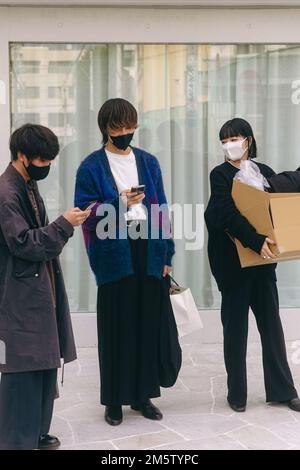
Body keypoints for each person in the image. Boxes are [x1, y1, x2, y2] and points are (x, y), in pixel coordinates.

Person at [74, 98, 176, 426]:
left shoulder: (148, 162)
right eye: (116, 127)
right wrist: (118, 202)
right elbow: (84, 214)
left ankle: (143, 396)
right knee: (116, 326)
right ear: (105, 128)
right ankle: (114, 401)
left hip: (147, 247)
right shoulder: (91, 166)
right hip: (113, 252)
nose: (124, 132)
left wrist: (166, 254)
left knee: (147, 323)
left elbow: (161, 209)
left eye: (129, 126)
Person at [0, 124, 90, 450]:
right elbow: (24, 243)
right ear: (22, 156)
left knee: (43, 364)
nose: (47, 166)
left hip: (38, 288)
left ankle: (36, 432)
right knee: (22, 367)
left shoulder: (26, 183)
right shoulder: (7, 193)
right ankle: (17, 439)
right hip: (19, 295)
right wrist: (65, 224)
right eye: (42, 159)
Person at [204, 117, 300, 413]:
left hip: (263, 263)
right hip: (233, 265)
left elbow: (278, 208)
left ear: (248, 140)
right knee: (235, 330)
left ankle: (283, 390)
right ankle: (237, 393)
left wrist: (270, 242)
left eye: (233, 138)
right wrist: (255, 239)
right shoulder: (220, 175)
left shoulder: (264, 172)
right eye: (223, 141)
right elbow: (228, 214)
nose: (229, 145)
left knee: (271, 326)